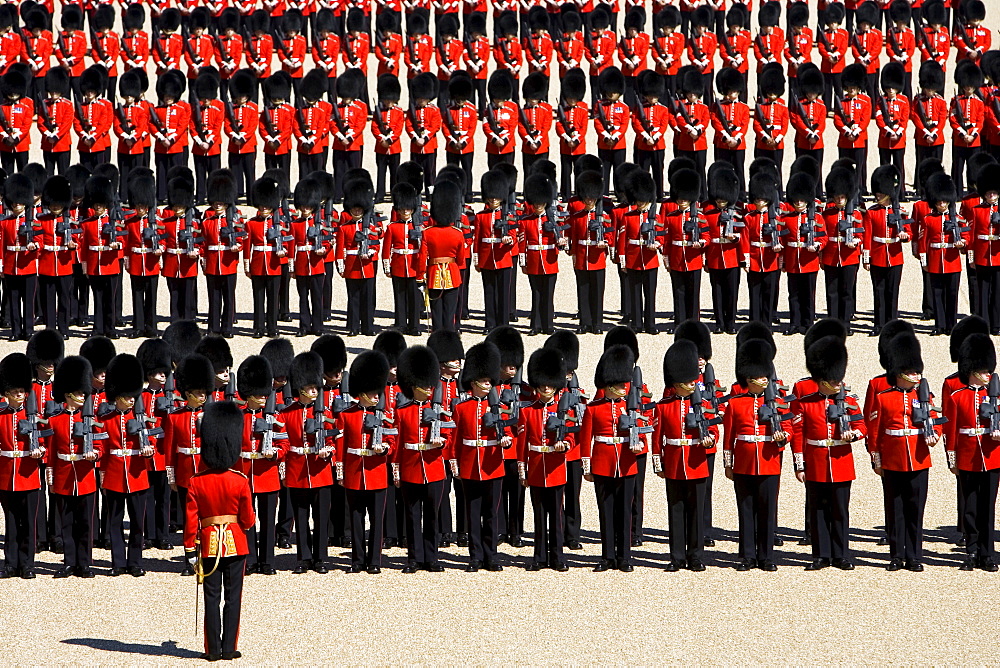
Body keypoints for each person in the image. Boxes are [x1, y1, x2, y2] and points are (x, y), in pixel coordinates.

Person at [184, 400, 255, 662]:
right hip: (235, 543)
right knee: (233, 598)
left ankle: (212, 650)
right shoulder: (240, 480)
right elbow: (248, 520)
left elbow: (191, 519)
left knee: (211, 598)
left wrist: (190, 549)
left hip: (208, 545)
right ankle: (228, 648)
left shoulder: (195, 481)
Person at [867, 332, 941, 572]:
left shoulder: (924, 396)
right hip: (893, 459)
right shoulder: (884, 398)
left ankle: (915, 556)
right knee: (896, 508)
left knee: (915, 510)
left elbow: (935, 419)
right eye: (911, 373)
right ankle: (897, 555)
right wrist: (876, 459)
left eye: (916, 372)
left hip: (918, 459)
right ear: (899, 374)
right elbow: (875, 432)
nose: (916, 376)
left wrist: (935, 434)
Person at [790, 336, 866, 571]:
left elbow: (862, 427)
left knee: (840, 511)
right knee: (819, 510)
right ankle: (821, 555)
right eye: (833, 380)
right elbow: (799, 435)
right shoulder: (806, 403)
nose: (838, 384)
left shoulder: (850, 401)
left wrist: (852, 435)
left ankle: (841, 554)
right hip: (816, 462)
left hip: (841, 461)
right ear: (822, 381)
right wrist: (800, 465)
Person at [653, 340, 716, 571]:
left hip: (696, 461)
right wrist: (658, 464)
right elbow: (657, 438)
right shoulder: (664, 406)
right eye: (689, 381)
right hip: (674, 463)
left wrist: (710, 440)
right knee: (676, 511)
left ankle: (696, 556)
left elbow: (714, 429)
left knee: (696, 512)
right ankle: (677, 557)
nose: (693, 383)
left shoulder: (704, 403)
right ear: (677, 383)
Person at [448, 342, 509, 572]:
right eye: (485, 381)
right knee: (473, 514)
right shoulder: (462, 407)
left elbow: (509, 431)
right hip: (471, 465)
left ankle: (491, 555)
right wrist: (454, 461)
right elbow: (454, 437)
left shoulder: (499, 406)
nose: (489, 384)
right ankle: (475, 556)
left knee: (491, 514)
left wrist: (507, 440)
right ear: (474, 382)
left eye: (489, 380)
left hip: (492, 464)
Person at [581, 344, 640, 572]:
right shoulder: (593, 409)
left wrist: (640, 445)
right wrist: (587, 466)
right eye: (618, 384)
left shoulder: (631, 406)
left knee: (625, 511)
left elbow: (644, 430)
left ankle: (624, 557)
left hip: (626, 463)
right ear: (608, 385)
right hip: (604, 463)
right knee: (605, 511)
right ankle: (607, 556)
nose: (622, 387)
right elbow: (586, 439)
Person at [945, 332, 1000, 571]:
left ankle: (987, 553)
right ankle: (971, 551)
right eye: (984, 371)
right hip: (967, 456)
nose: (989, 375)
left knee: (987, 508)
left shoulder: (996, 397)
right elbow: (951, 429)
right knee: (970, 507)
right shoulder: (958, 396)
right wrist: (952, 458)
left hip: (991, 457)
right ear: (973, 370)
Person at [334, 351, 393, 573]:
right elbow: (341, 445)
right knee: (356, 520)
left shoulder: (384, 415)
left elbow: (391, 440)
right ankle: (357, 560)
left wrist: (384, 448)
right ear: (362, 393)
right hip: (355, 473)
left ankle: (375, 561)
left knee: (377, 521)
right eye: (372, 392)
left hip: (376, 471)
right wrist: (341, 471)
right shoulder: (347, 415)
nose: (377, 396)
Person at [517, 347, 572, 571]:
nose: (546, 388)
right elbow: (522, 444)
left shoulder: (563, 410)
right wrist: (523, 470)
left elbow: (571, 436)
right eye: (542, 384)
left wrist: (564, 445)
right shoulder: (528, 411)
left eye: (550, 384)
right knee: (539, 517)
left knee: (557, 517)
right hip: (537, 468)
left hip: (556, 467)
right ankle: (539, 557)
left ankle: (557, 557)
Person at [99, 354, 155, 577]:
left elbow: (154, 441)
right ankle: (118, 563)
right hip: (114, 473)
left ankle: (135, 562)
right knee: (114, 521)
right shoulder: (106, 419)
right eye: (127, 396)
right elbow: (102, 447)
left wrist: (149, 450)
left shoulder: (143, 417)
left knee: (137, 522)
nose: (132, 400)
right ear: (117, 395)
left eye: (133, 396)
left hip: (136, 472)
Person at [0, 353, 45, 579]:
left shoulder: (34, 417)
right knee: (11, 523)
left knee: (28, 523)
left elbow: (46, 440)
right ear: (6, 393)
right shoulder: (1, 416)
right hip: (7, 475)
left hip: (28, 474)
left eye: (21, 391)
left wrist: (40, 450)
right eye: (15, 391)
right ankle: (11, 563)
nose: (20, 395)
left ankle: (27, 564)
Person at [418, 180, 466, 332]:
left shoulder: (427, 232)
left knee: (436, 315)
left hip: (433, 275)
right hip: (452, 274)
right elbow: (461, 260)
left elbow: (422, 257)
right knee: (449, 314)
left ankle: (436, 343)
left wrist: (420, 276)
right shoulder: (457, 233)